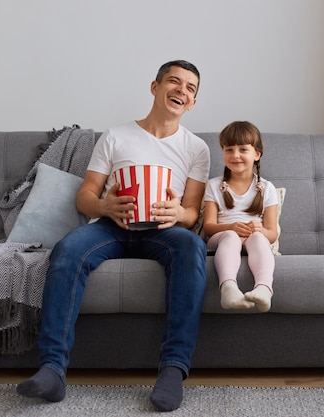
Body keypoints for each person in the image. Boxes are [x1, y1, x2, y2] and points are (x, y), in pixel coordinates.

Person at [16, 60, 210, 412]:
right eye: (174, 82)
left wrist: (178, 213)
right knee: (68, 249)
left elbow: (193, 212)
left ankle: (172, 371)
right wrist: (106, 206)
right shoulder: (116, 136)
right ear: (155, 87)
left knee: (192, 246)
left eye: (190, 88)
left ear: (193, 102)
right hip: (111, 226)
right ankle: (52, 370)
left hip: (163, 232)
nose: (182, 90)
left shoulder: (196, 149)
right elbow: (85, 197)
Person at [202, 121, 278, 313]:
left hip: (253, 238)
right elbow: (209, 227)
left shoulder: (267, 188)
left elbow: (272, 233)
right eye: (229, 150)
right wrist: (230, 228)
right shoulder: (213, 185)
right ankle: (228, 288)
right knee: (231, 237)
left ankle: (264, 288)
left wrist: (260, 230)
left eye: (243, 149)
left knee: (258, 238)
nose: (235, 155)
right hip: (221, 238)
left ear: (256, 154)